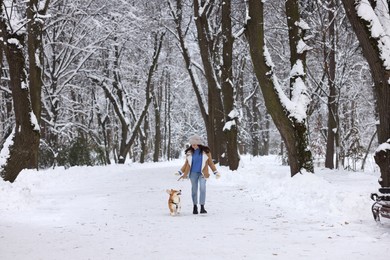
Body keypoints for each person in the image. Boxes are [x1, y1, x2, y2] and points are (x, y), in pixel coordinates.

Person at [177, 134, 221, 214]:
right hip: (193, 173)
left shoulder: (206, 152)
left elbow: (210, 163)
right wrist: (180, 171)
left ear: (198, 143)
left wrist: (215, 172)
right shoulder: (189, 152)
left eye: (194, 144)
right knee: (194, 190)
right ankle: (194, 206)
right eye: (192, 144)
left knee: (202, 188)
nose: (193, 146)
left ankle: (202, 207)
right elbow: (186, 164)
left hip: (203, 173)